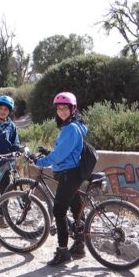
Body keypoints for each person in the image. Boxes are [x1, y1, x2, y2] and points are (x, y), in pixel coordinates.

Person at [33, 92, 87, 266]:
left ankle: (63, 251)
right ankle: (79, 245)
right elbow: (66, 152)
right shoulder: (75, 124)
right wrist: (50, 153)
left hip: (68, 174)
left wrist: (40, 161)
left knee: (59, 212)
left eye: (65, 108)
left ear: (73, 108)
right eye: (59, 108)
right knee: (77, 209)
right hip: (74, 172)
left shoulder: (70, 128)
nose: (62, 111)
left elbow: (59, 157)